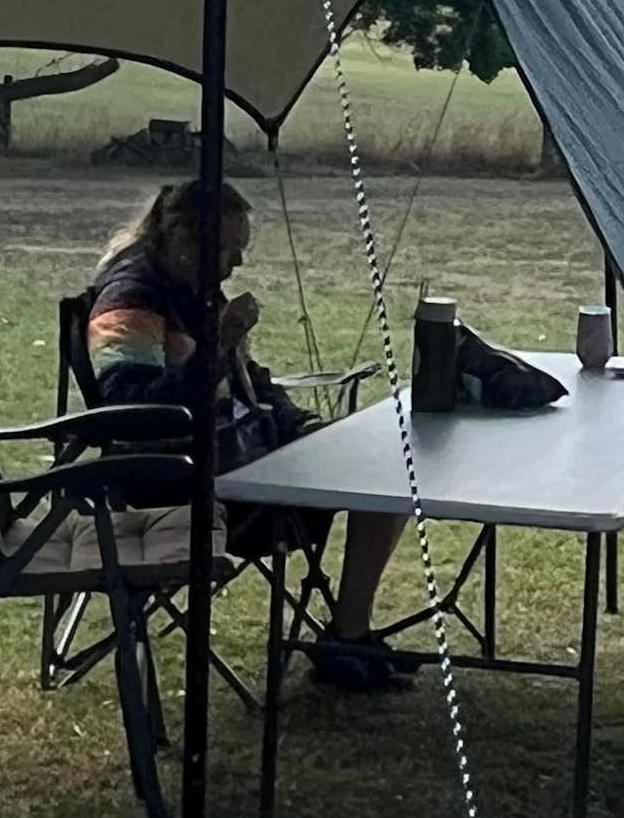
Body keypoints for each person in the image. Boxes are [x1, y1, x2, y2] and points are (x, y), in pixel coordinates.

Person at [86, 179, 413, 690]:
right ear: (185, 238)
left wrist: (295, 422)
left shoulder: (192, 287)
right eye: (230, 249)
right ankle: (345, 640)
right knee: (377, 476)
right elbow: (131, 411)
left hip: (236, 454)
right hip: (180, 479)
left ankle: (350, 631)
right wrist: (219, 345)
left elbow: (248, 379)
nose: (236, 264)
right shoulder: (131, 297)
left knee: (382, 466)